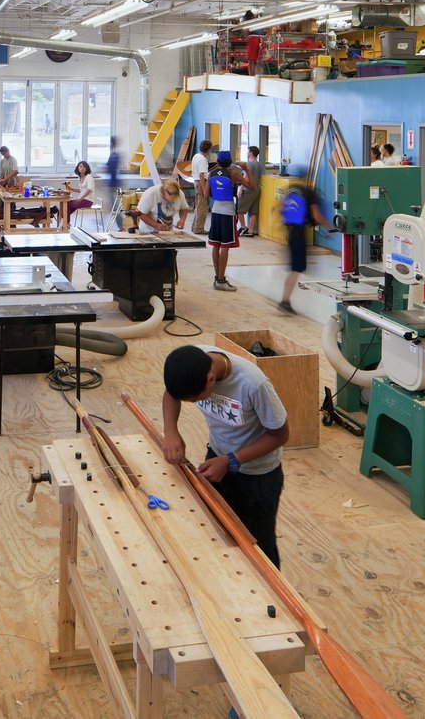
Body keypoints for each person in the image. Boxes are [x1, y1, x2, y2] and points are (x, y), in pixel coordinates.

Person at [161, 344, 289, 567]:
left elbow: (280, 435)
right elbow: (172, 395)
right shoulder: (193, 361)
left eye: (195, 399)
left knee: (258, 547)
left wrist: (232, 460)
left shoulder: (252, 384)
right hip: (217, 458)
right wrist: (171, 431)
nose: (193, 403)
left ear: (211, 379)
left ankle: (273, 602)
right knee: (218, 529)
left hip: (257, 476)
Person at [278, 179, 326, 315]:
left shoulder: (293, 189)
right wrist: (330, 227)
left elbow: (281, 209)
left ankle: (285, 300)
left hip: (291, 232)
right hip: (299, 234)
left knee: (294, 269)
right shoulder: (311, 195)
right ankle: (285, 301)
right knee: (295, 270)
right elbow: (317, 216)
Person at [205, 151, 250, 291]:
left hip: (216, 211)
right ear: (230, 162)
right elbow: (252, 187)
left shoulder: (211, 174)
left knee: (216, 245)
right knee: (225, 245)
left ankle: (217, 278)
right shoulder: (234, 174)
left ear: (217, 161)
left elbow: (206, 195)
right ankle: (221, 280)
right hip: (228, 213)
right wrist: (246, 169)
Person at [236, 144, 265, 237]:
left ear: (251, 153)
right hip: (257, 189)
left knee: (239, 209)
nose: (246, 153)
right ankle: (251, 230)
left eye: (247, 151)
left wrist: (240, 189)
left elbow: (246, 178)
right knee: (254, 210)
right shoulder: (260, 165)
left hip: (248, 189)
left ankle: (243, 227)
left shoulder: (249, 164)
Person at [189, 139, 214, 233]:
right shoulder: (203, 160)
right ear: (209, 149)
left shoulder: (196, 156)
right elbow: (202, 176)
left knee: (198, 206)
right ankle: (198, 228)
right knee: (203, 207)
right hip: (201, 183)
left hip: (196, 182)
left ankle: (194, 226)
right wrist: (205, 190)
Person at [104, 136, 123, 213]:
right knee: (114, 201)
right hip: (115, 180)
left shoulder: (113, 155)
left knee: (114, 204)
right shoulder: (116, 155)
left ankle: (118, 220)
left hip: (113, 181)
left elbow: (109, 169)